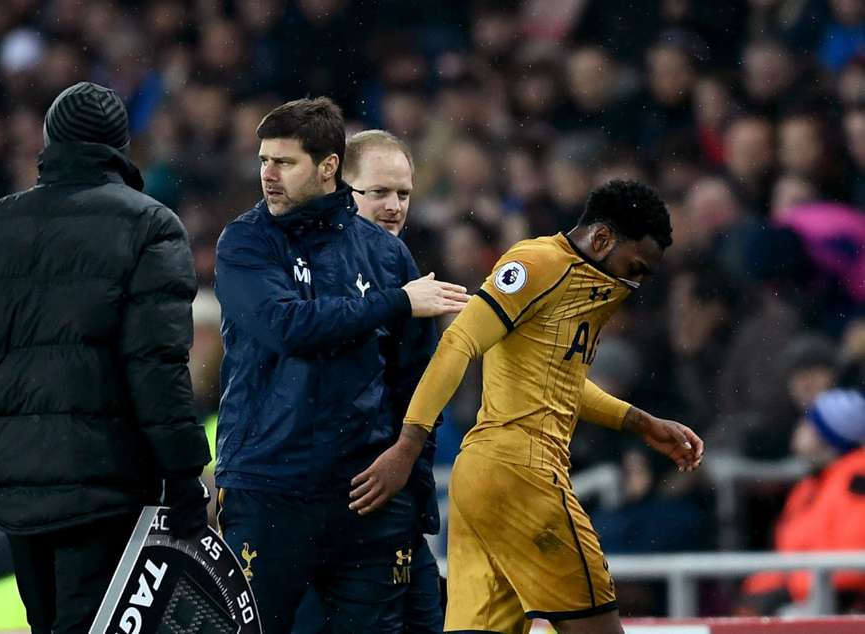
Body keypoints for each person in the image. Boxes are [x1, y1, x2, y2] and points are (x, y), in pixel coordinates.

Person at [0, 82, 211, 634]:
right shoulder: (148, 225)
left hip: (18, 489)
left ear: (49, 144)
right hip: (109, 488)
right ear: (119, 147)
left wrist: (14, 357)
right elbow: (157, 368)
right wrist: (184, 475)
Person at [351, 180, 705, 634]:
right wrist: (408, 443)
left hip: (483, 480)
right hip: (526, 474)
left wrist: (638, 421)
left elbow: (558, 382)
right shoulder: (538, 263)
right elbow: (460, 341)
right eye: (633, 267)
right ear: (601, 240)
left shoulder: (579, 285)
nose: (633, 284)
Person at [214, 98, 469, 634]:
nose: (268, 174)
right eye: (264, 160)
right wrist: (396, 301)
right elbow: (287, 328)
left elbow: (416, 379)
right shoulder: (245, 242)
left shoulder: (386, 255)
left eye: (284, 162)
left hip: (366, 496)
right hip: (270, 489)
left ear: (328, 166)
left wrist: (407, 462)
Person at [291, 129, 444, 634]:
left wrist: (408, 472)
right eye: (378, 192)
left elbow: (419, 391)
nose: (394, 206)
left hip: (394, 506)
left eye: (403, 193)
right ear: (340, 190)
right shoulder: (305, 273)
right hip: (332, 508)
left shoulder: (405, 269)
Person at [741, 388, 865, 615]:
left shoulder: (856, 481)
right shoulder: (813, 482)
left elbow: (851, 568)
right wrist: (757, 591)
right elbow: (790, 555)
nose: (799, 429)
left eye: (808, 424)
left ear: (827, 436)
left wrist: (789, 590)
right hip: (808, 596)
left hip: (836, 606)